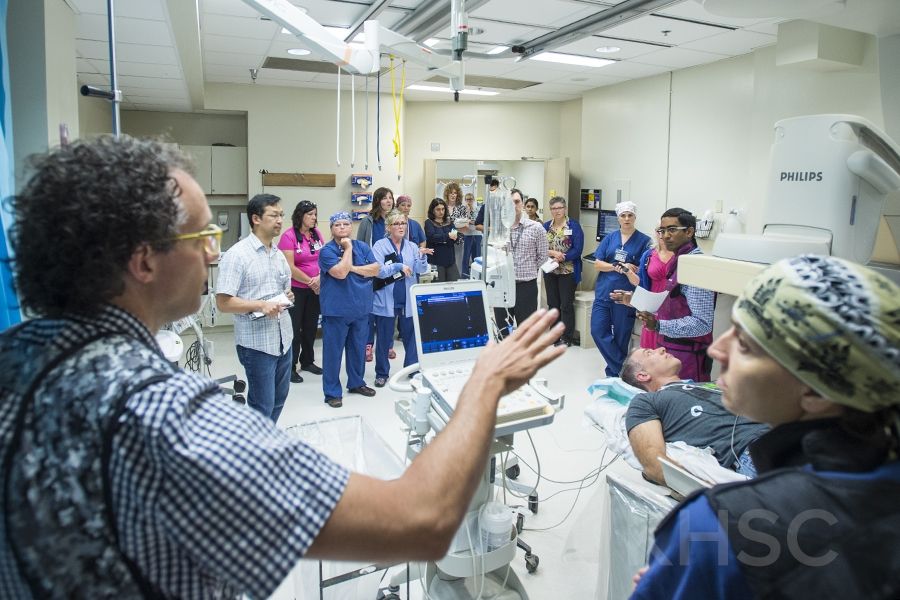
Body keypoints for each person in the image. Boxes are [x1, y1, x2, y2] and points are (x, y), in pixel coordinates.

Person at [0, 135, 568, 599]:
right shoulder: (163, 419)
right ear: (143, 260)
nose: (212, 253)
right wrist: (486, 381)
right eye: (202, 235)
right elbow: (421, 519)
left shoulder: (16, 362)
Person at [632, 255, 900, 599]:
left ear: (815, 392)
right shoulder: (648, 401)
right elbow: (656, 462)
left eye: (744, 345)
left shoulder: (719, 527)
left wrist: (697, 569)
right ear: (643, 377)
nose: (716, 349)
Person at [620, 347, 768, 484]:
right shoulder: (645, 402)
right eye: (649, 353)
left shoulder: (708, 385)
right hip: (756, 449)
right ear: (643, 375)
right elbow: (654, 465)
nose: (661, 348)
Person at [216, 193, 294, 422]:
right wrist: (261, 305)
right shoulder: (237, 256)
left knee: (279, 399)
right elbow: (223, 302)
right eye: (273, 215)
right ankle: (255, 451)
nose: (280, 220)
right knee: (262, 405)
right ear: (256, 219)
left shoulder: (278, 255)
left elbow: (282, 289)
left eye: (281, 215)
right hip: (257, 345)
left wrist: (286, 295)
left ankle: (267, 443)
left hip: (283, 339)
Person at [613, 208, 715, 382]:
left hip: (688, 355)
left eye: (672, 230)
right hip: (668, 348)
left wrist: (660, 325)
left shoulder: (696, 267)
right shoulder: (677, 262)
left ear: (689, 231)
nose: (665, 235)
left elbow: (703, 324)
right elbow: (671, 303)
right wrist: (634, 300)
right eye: (662, 230)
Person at [318, 212, 380, 407]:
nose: (343, 228)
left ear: (351, 227)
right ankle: (332, 392)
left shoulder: (362, 247)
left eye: (346, 224)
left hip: (361, 309)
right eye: (338, 225)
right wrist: (347, 250)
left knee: (358, 350)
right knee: (333, 354)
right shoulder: (326, 251)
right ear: (331, 229)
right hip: (336, 311)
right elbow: (340, 272)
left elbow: (375, 269)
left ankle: (356, 383)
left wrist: (353, 267)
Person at [591, 201, 652, 376]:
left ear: (635, 217)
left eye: (630, 215)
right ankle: (623, 369)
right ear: (618, 218)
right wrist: (616, 266)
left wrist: (630, 268)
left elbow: (643, 270)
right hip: (604, 293)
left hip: (626, 297)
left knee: (621, 336)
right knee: (597, 330)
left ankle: (613, 373)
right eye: (623, 215)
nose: (626, 219)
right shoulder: (610, 238)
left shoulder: (644, 241)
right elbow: (597, 264)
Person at [370, 211, 431, 387]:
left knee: (411, 337)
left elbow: (420, 270)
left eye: (403, 223)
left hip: (407, 300)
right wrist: (398, 266)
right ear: (388, 227)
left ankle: (412, 370)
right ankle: (381, 373)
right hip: (386, 299)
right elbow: (378, 271)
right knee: (384, 339)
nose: (401, 227)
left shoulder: (412, 246)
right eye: (396, 224)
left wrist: (422, 256)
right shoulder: (380, 246)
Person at [278, 200, 324, 383]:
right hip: (296, 289)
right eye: (310, 214)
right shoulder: (288, 236)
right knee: (294, 329)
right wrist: (310, 281)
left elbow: (324, 258)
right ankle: (290, 366)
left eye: (315, 214)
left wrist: (319, 278)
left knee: (311, 327)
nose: (314, 218)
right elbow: (289, 266)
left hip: (316, 288)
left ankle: (307, 361)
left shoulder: (316, 234)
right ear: (300, 216)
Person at [494, 189, 548, 338]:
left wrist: (528, 269)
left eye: (516, 202)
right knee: (503, 332)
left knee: (527, 333)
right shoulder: (499, 229)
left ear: (523, 204)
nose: (513, 206)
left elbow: (543, 256)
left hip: (526, 287)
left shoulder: (536, 228)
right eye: (509, 203)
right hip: (503, 287)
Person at [357, 186, 395, 363]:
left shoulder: (396, 220)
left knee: (388, 309)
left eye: (390, 198)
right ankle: (368, 345)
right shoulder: (368, 221)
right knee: (370, 310)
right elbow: (360, 245)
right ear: (378, 200)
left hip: (391, 270)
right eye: (385, 198)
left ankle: (387, 345)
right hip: (372, 270)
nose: (388, 201)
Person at [542, 196, 585, 346]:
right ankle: (554, 336)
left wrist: (563, 257)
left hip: (568, 271)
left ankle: (567, 337)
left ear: (565, 208)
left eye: (560, 208)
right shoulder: (546, 226)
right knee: (552, 304)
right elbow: (540, 247)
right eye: (554, 208)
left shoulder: (574, 226)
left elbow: (578, 249)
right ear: (550, 210)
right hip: (550, 270)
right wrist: (553, 253)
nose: (557, 211)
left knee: (566, 305)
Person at [623, 228, 674, 349]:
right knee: (649, 350)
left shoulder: (681, 256)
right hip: (652, 308)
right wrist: (628, 272)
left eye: (668, 230)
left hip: (674, 308)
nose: (662, 234)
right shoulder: (648, 255)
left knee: (668, 353)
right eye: (659, 231)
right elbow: (640, 283)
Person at [424, 197, 460, 282]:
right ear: (433, 210)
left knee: (455, 285)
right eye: (438, 209)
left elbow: (455, 235)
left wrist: (455, 237)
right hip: (436, 261)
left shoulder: (449, 222)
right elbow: (432, 237)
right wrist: (448, 236)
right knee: (438, 288)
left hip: (450, 260)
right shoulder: (428, 223)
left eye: (443, 209)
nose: (441, 212)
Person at [444, 182, 466, 274]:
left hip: (458, 240)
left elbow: (466, 227)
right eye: (451, 193)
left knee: (457, 265)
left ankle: (457, 284)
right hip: (444, 240)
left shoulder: (462, 208)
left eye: (455, 193)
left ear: (458, 195)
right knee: (444, 265)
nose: (453, 195)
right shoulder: (442, 206)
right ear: (447, 194)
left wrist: (454, 229)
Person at [460, 192, 482, 278]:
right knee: (466, 257)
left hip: (477, 234)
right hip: (467, 235)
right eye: (467, 199)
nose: (469, 201)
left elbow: (477, 222)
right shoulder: (463, 210)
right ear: (465, 200)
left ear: (473, 200)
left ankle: (477, 276)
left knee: (476, 257)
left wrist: (470, 221)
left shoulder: (478, 209)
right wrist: (468, 212)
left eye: (471, 199)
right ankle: (465, 276)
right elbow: (462, 222)